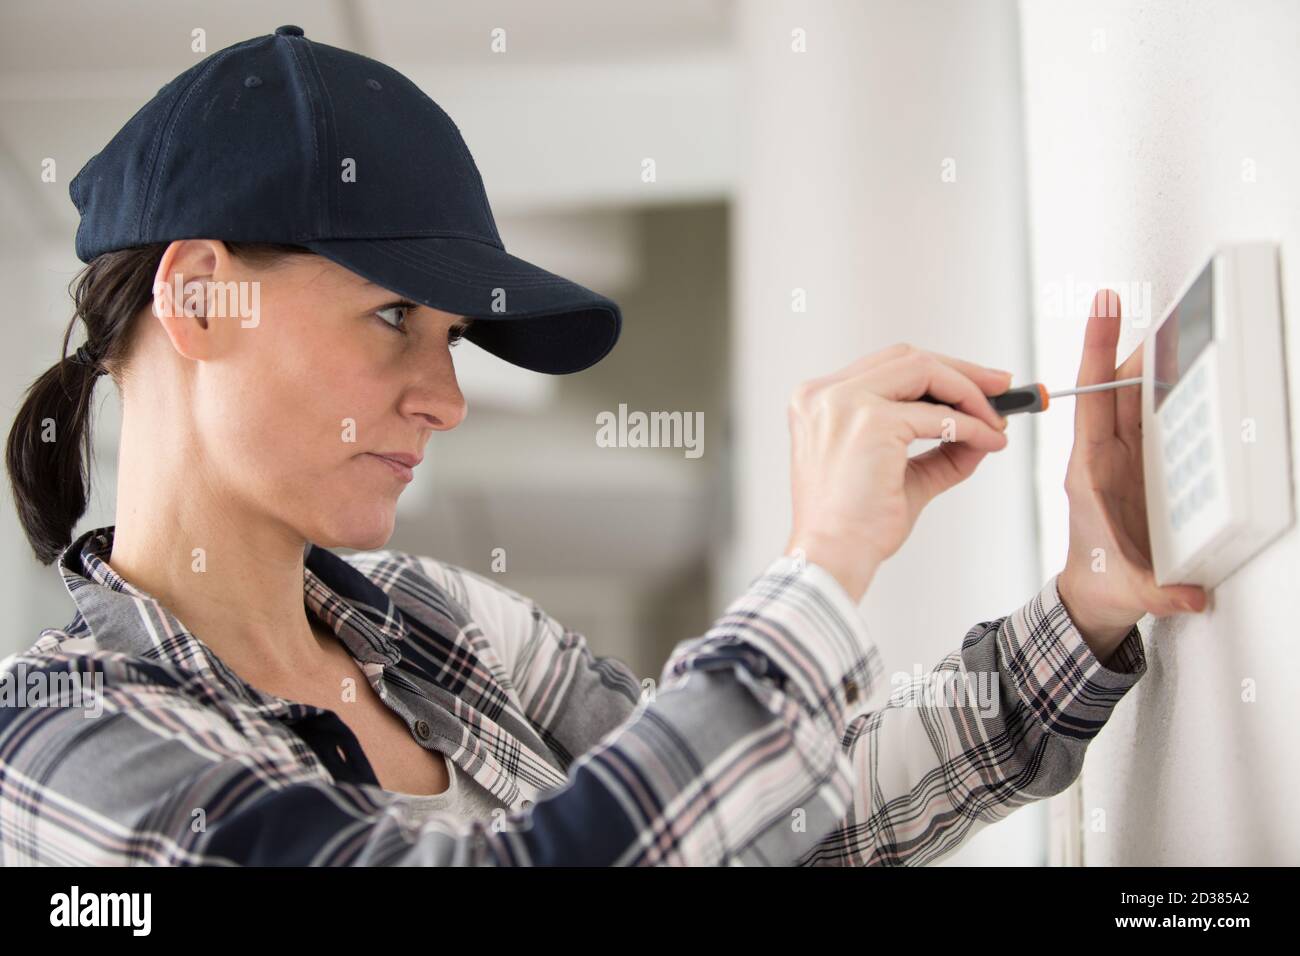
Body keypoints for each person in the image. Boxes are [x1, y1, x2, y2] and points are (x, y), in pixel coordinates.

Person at [0, 26, 1206, 867]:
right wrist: (820, 561)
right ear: (204, 300)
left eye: (454, 338)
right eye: (392, 318)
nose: (447, 397)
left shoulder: (437, 618)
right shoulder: (55, 742)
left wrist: (1081, 610)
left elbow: (778, 820)